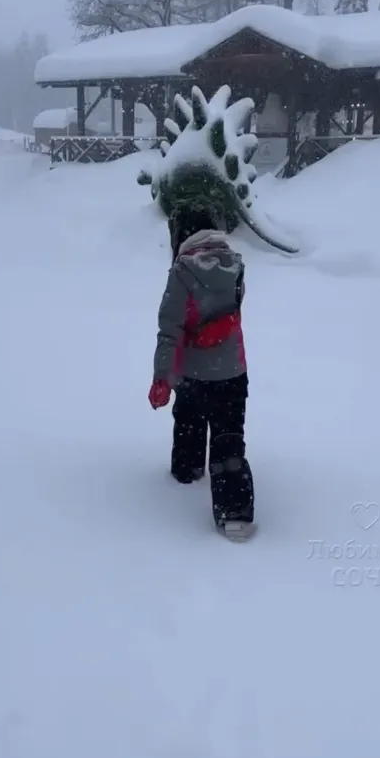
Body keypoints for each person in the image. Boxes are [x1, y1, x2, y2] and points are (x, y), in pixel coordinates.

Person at [148, 202, 256, 541]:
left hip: (194, 374)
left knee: (190, 424)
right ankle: (235, 510)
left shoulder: (182, 271)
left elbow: (170, 329)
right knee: (229, 437)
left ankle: (187, 471)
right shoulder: (236, 265)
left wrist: (161, 377)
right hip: (233, 371)